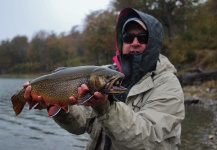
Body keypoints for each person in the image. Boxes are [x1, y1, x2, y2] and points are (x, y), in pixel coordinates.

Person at [24, 7, 185, 150]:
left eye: (142, 37)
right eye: (129, 37)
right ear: (121, 42)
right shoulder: (104, 75)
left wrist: (105, 108)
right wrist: (58, 105)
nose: (135, 42)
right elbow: (81, 125)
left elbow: (148, 142)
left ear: (153, 43)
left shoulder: (167, 83)